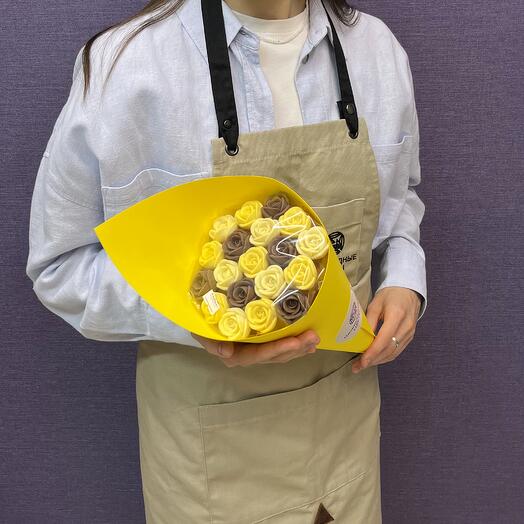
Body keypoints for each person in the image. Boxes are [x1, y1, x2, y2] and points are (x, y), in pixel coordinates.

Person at [26, 0, 427, 521]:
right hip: (206, 457)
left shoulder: (378, 51)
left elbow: (400, 202)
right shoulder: (126, 67)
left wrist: (403, 280)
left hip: (346, 427)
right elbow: (61, 265)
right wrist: (203, 317)